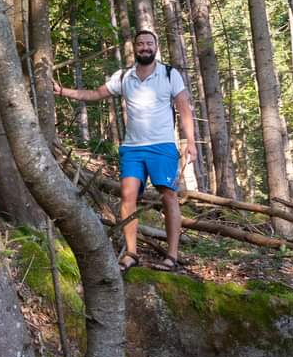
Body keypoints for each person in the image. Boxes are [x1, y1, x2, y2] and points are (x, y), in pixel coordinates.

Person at [52, 30, 196, 270]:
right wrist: (63, 91)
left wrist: (190, 142)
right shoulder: (124, 76)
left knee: (168, 196)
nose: (145, 47)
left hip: (162, 146)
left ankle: (171, 256)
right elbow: (96, 94)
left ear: (156, 47)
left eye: (149, 43)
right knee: (128, 196)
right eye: (140, 44)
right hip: (132, 149)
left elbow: (184, 109)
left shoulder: (169, 74)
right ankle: (131, 253)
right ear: (135, 48)